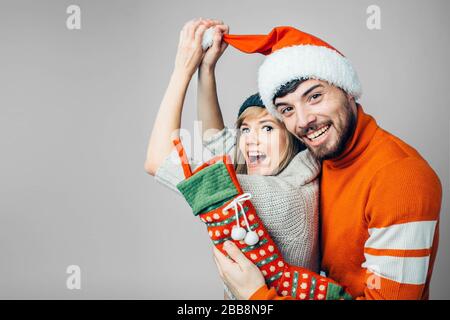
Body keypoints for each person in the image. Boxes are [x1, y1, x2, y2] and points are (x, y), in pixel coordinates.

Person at [210, 26, 442, 300]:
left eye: (314, 96)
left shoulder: (401, 178)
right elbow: (219, 145)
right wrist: (204, 69)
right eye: (287, 109)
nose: (304, 120)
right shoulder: (315, 159)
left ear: (347, 90)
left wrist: (257, 297)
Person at [144, 19, 322, 299]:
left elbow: (157, 161)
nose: (251, 139)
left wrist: (182, 70)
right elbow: (214, 138)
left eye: (267, 128)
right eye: (245, 129)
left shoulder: (283, 197)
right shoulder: (301, 177)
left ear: (294, 138)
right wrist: (207, 69)